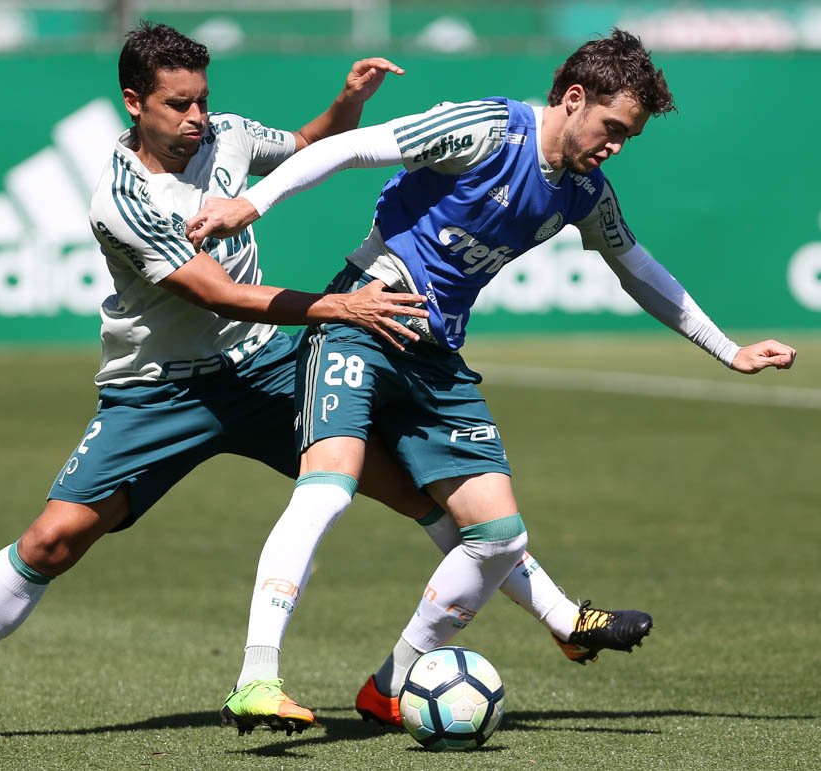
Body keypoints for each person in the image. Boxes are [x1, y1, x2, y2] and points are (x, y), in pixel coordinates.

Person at [0, 21, 431, 745]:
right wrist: (340, 305)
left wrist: (347, 102)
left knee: (408, 488)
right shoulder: (119, 200)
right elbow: (216, 293)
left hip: (262, 370)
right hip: (157, 391)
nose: (196, 119)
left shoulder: (229, 136)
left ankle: (467, 650)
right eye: (178, 104)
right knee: (52, 539)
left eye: (202, 101)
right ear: (133, 102)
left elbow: (306, 147)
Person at [188, 28, 797, 731]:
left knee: (499, 535)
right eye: (612, 128)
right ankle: (256, 677)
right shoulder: (484, 128)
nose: (615, 146)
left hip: (437, 357)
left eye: (628, 137)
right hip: (363, 314)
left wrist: (728, 350)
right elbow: (353, 146)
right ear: (574, 98)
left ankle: (391, 684)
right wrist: (251, 203)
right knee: (328, 490)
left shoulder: (584, 192)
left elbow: (637, 268)